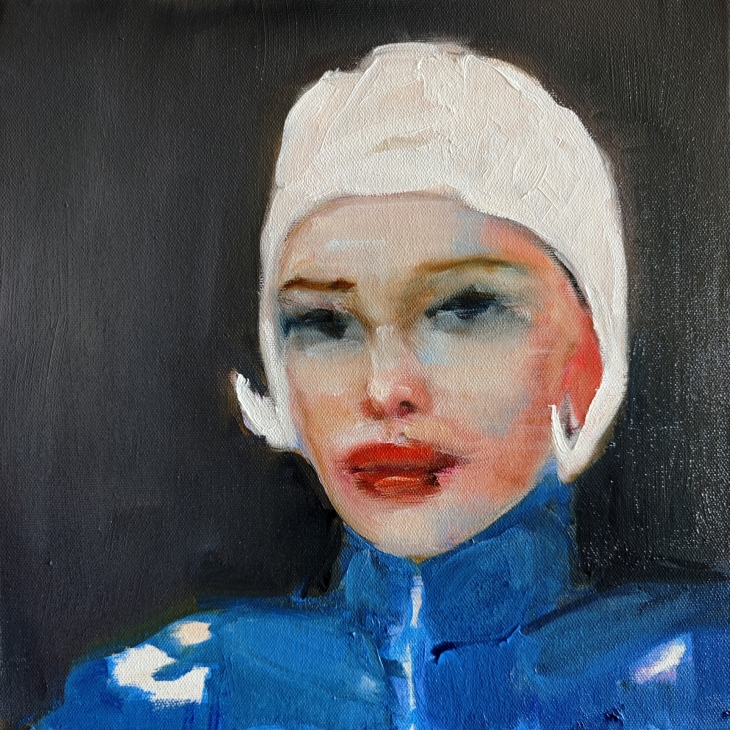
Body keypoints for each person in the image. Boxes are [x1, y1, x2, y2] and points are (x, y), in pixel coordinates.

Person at [37, 42, 730, 730]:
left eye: (466, 309)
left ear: (585, 363)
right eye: (323, 323)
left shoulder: (701, 682)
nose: (387, 387)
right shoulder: (159, 700)